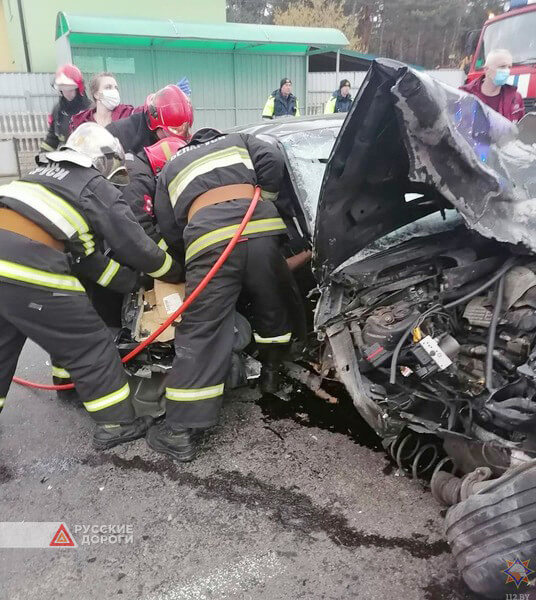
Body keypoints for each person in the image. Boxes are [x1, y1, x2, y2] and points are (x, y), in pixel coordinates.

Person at [0, 123, 182, 450]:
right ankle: (116, 424)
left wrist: (134, 282)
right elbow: (136, 247)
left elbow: (91, 262)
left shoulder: (42, 175)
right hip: (27, 260)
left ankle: (67, 383)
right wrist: (170, 272)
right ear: (102, 161)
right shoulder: (94, 185)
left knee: (4, 343)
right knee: (90, 342)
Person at [148, 126, 295, 462]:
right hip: (260, 226)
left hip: (209, 240)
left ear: (190, 143)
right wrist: (264, 201)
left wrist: (188, 256)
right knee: (271, 305)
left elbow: (169, 225)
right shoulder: (239, 139)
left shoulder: (170, 167)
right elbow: (272, 157)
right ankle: (272, 377)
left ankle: (181, 431)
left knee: (203, 328)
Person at [107, 84, 192, 154]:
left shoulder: (181, 140)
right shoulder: (118, 134)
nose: (175, 141)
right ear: (155, 121)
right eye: (170, 135)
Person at [460, 48, 525, 122]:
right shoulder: (466, 95)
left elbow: (521, 129)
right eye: (502, 67)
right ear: (486, 70)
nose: (507, 71)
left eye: (509, 67)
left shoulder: (516, 98)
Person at [40, 64, 91, 151]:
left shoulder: (91, 110)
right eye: (63, 89)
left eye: (70, 89)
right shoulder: (58, 110)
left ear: (79, 88)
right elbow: (52, 138)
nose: (67, 93)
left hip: (88, 159)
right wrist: (43, 157)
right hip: (67, 159)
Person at [70, 72, 139, 132]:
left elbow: (142, 113)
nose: (114, 91)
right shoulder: (81, 121)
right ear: (97, 95)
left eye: (116, 88)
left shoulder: (126, 113)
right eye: (108, 87)